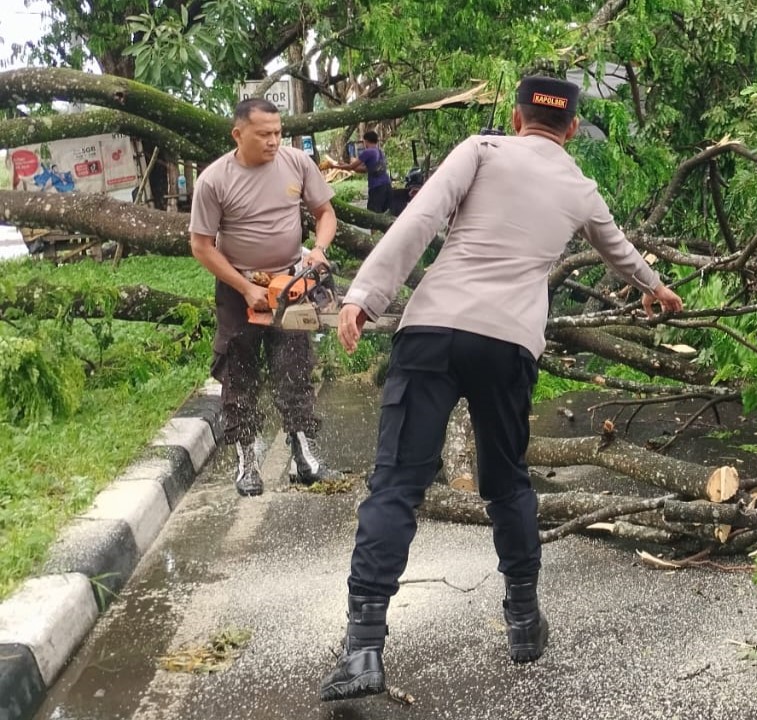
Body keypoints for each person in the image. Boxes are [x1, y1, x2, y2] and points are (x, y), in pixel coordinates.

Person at [319, 76, 684, 702]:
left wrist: (363, 297)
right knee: (507, 481)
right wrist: (656, 288)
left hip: (433, 330)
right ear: (571, 129)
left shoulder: (480, 150)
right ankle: (522, 623)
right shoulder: (581, 187)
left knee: (398, 484)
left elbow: (421, 218)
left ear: (517, 119)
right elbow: (620, 252)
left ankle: (363, 649)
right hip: (508, 343)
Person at [189, 98, 342, 497]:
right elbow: (202, 246)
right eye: (264, 134)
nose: (274, 141)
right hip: (239, 285)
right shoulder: (214, 180)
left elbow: (325, 213)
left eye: (278, 132)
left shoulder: (296, 163)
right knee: (239, 369)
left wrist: (319, 250)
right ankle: (246, 458)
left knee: (294, 365)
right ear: (238, 135)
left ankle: (304, 454)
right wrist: (245, 288)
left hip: (291, 281)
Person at [334, 130, 393, 214]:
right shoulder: (379, 152)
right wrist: (345, 165)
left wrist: (334, 166)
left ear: (366, 141)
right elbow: (364, 169)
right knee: (385, 214)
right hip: (387, 185)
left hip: (376, 188)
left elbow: (351, 167)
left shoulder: (368, 152)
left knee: (373, 215)